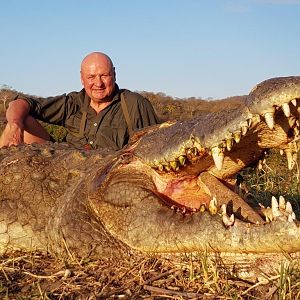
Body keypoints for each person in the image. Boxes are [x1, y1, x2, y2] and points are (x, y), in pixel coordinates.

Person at [0, 52, 160, 150]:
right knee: (22, 119)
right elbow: (22, 102)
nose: (98, 83)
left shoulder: (135, 104)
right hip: (66, 165)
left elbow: (157, 146)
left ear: (114, 74)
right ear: (82, 78)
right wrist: (15, 124)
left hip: (107, 176)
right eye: (91, 77)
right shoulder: (72, 102)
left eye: (104, 75)